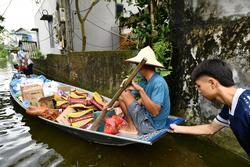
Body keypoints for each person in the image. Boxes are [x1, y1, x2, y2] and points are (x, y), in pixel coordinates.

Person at [170, 59, 250, 156]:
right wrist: (177, 128)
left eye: (199, 86)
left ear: (212, 83)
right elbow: (210, 129)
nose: (199, 91)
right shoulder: (230, 105)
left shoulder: (246, 109)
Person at [110, 46, 171, 134]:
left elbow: (155, 112)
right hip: (146, 118)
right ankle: (132, 125)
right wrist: (110, 106)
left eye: (136, 65)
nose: (136, 68)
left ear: (142, 66)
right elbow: (125, 99)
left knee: (124, 93)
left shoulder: (158, 82)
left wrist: (140, 90)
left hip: (151, 126)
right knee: (124, 92)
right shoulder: (144, 81)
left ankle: (132, 128)